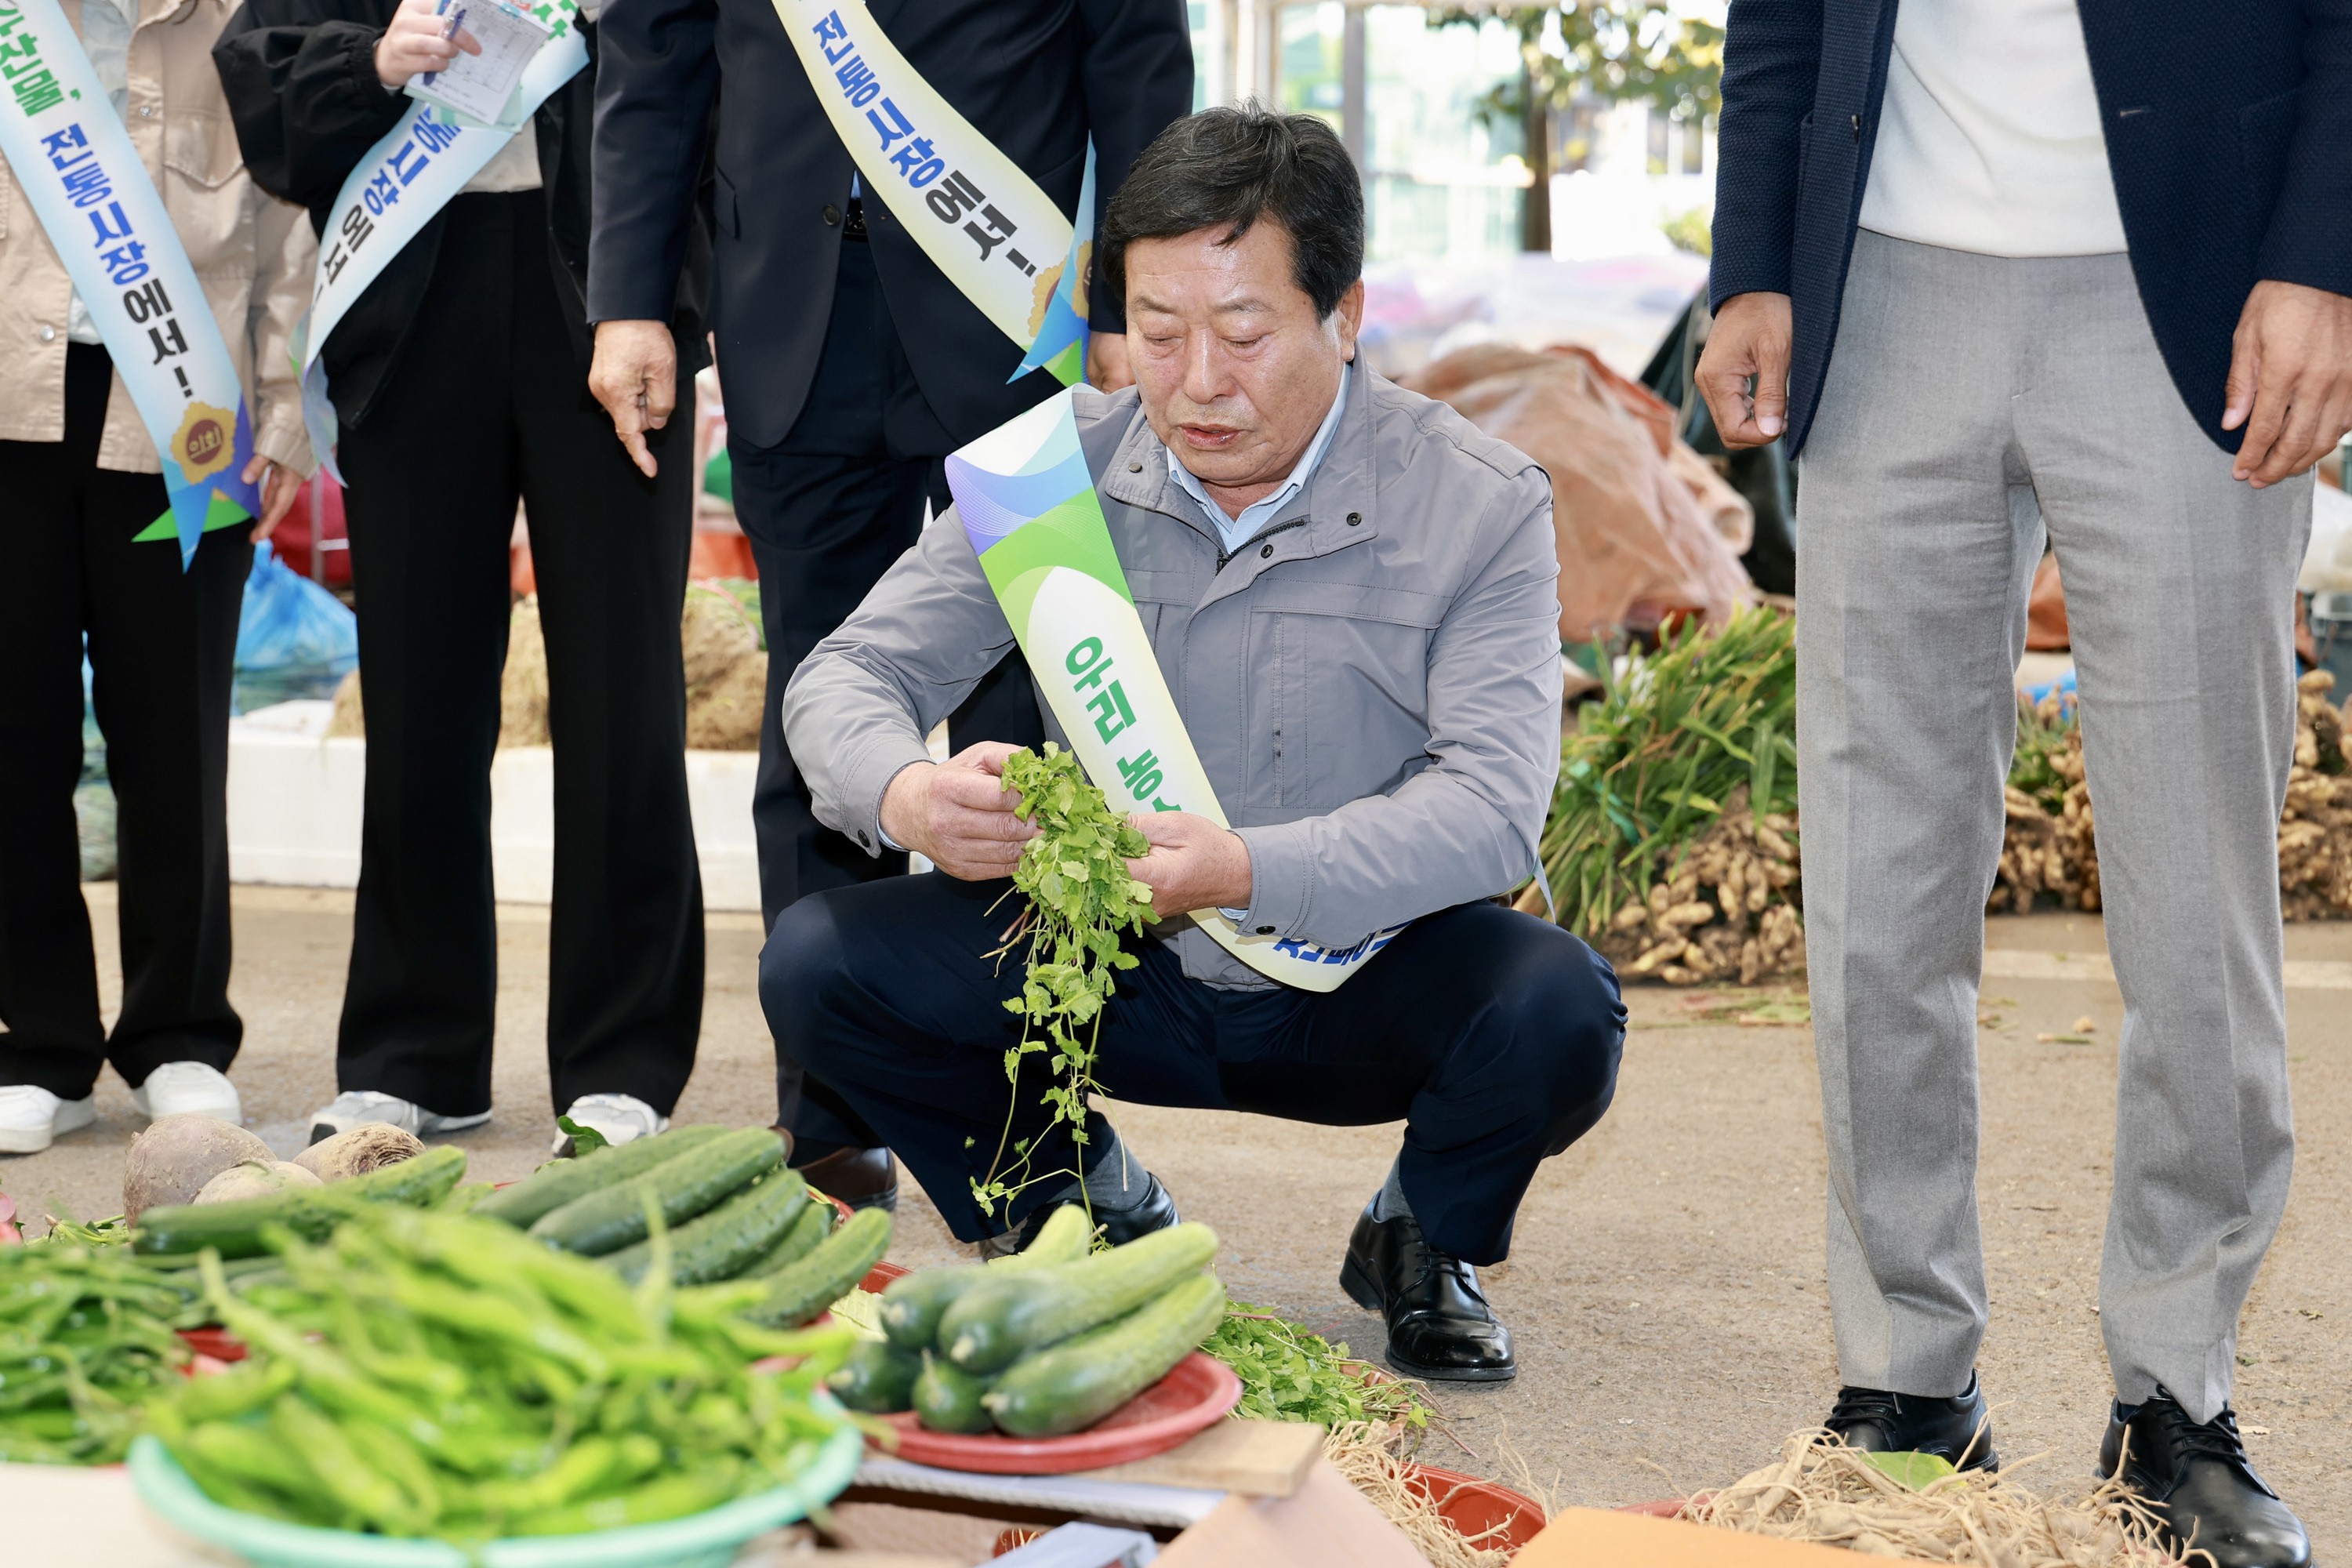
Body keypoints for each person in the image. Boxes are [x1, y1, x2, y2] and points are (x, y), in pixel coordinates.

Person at [759, 107, 1625, 1381]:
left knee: (1558, 1007)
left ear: (1345, 315)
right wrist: (908, 793)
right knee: (820, 963)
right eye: (1158, 335)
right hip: (1107, 962)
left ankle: (1420, 1238)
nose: (1198, 383)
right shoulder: (1048, 477)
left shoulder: (1477, 502)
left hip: (1358, 966)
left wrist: (1248, 869)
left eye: (1243, 333)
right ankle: (1068, 1205)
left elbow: (1495, 805)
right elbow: (847, 673)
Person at [1699, 2, 2350, 1561]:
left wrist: (2328, 249)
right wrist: (1752, 257)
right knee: (1876, 885)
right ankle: (1908, 1383)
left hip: (2196, 281)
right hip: (1883, 275)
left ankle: (2176, 1395)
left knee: (2198, 898)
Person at [586, 0, 1192, 1209]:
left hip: (1017, 318)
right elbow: (652, 47)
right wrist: (630, 295)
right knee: (816, 718)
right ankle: (833, 1119)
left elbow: (1133, 54)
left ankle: (1030, 1119)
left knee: (1028, 731)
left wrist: (1137, 299)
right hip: (785, 314)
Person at [213, 0, 713, 1152]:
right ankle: (412, 1054)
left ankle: (622, 1060)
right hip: (409, 300)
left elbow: (722, 76)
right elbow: (261, 77)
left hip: (613, 293)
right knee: (416, 690)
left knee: (620, 687)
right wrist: (372, 63)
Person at [0, 0, 313, 1153]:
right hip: (8, 418)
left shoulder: (244, 30)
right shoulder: (13, 33)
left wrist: (283, 416)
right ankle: (40, 1044)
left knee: (174, 742)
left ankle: (179, 1035)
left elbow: (291, 234)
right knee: (14, 745)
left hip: (189, 426)